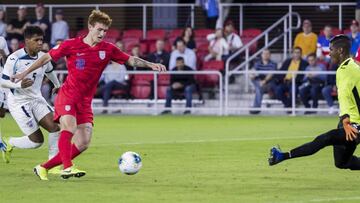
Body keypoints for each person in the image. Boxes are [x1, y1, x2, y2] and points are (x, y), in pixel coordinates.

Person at [12, 10, 166, 180]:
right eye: (99, 29)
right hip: (67, 95)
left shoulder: (108, 49)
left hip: (85, 101)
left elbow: (131, 60)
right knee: (68, 127)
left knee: (83, 143)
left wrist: (151, 64)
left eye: (105, 31)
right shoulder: (70, 44)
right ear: (90, 27)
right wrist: (24, 73)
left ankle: (43, 167)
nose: (102, 34)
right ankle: (68, 167)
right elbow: (45, 58)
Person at [268, 35, 360, 171]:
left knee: (325, 139)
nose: (329, 53)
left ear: (340, 50)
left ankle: (282, 156)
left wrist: (345, 120)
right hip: (350, 120)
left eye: (331, 49)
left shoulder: (346, 70)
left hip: (354, 124)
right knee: (341, 162)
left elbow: (344, 96)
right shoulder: (351, 66)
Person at [0, 26, 60, 165]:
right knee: (37, 141)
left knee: (56, 127)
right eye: (36, 40)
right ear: (27, 41)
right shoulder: (14, 58)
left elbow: (49, 71)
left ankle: (52, 165)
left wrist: (57, 85)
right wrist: (18, 85)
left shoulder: (43, 56)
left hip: (36, 99)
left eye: (42, 40)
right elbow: (3, 81)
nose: (40, 43)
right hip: (19, 103)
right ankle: (9, 142)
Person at [250, 49, 277, 114]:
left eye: (267, 54)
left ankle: (256, 108)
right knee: (258, 84)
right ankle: (257, 108)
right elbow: (253, 71)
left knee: (259, 88)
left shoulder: (273, 64)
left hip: (269, 82)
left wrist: (264, 81)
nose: (265, 55)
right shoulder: (257, 63)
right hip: (258, 80)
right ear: (261, 55)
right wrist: (251, 75)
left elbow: (271, 74)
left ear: (270, 55)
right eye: (264, 54)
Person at [0, 36, 10, 118]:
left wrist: (3, 54)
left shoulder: (2, 40)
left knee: (2, 113)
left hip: (1, 73)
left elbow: (7, 60)